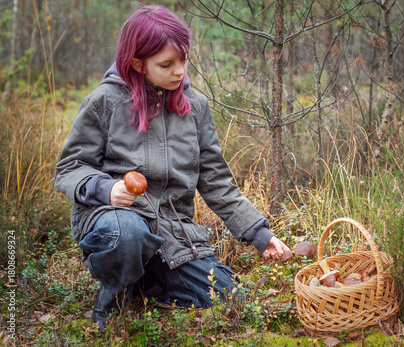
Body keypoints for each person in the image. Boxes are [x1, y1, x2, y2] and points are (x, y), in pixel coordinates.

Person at [54, 4, 289, 330]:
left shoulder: (196, 107)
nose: (180, 71)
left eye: (184, 60)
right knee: (130, 233)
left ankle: (148, 283)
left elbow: (216, 180)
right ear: (137, 63)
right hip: (113, 223)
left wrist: (260, 234)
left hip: (174, 237)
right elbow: (70, 168)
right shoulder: (104, 102)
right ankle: (114, 296)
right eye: (167, 64)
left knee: (232, 297)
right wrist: (107, 189)